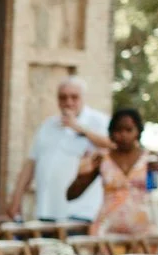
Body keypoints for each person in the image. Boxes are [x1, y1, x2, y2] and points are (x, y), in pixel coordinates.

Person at [70, 106, 158, 237]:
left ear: (138, 131)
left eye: (129, 130)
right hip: (107, 232)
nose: (123, 135)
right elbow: (71, 195)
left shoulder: (149, 158)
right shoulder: (102, 159)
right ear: (111, 132)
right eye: (118, 130)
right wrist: (84, 172)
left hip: (143, 233)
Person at [15, 76, 111, 223]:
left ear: (83, 98)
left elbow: (113, 146)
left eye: (74, 97)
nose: (68, 102)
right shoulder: (48, 125)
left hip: (80, 212)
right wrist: (16, 199)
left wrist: (80, 129)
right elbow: (31, 162)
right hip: (47, 210)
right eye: (63, 98)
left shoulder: (98, 121)